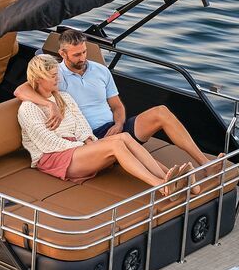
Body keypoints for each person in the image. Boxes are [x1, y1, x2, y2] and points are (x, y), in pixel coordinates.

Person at [25, 28, 215, 166]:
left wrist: (118, 124)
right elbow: (21, 90)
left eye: (84, 52)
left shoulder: (101, 71)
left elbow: (117, 107)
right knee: (124, 142)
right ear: (62, 53)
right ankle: (168, 179)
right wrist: (51, 106)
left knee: (161, 112)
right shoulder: (56, 75)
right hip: (89, 137)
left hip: (115, 128)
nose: (82, 58)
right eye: (76, 55)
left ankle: (205, 163)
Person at [15, 55, 185, 188]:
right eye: (52, 76)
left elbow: (82, 125)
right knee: (115, 145)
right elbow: (47, 143)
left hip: (76, 150)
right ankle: (160, 185)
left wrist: (90, 141)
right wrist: (86, 147)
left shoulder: (64, 97)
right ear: (38, 80)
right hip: (53, 158)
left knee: (125, 136)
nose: (58, 79)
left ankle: (168, 176)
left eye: (57, 75)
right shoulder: (28, 109)